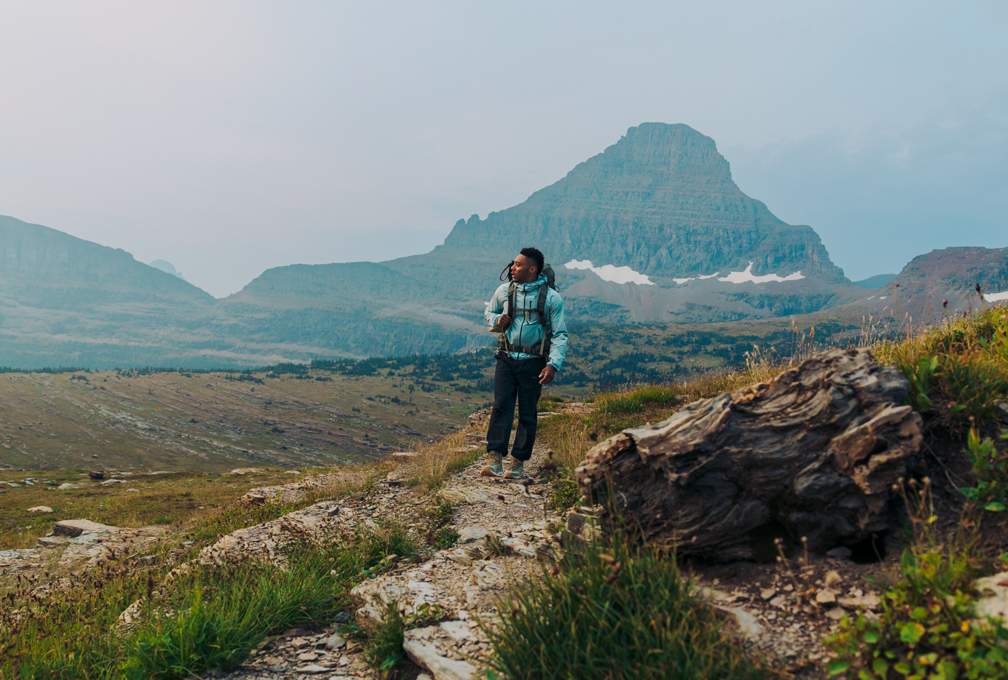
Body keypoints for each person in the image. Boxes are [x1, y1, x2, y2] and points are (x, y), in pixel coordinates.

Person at [482, 247, 568, 479]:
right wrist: (498, 319)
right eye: (513, 263)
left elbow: (560, 334)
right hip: (506, 357)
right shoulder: (504, 291)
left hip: (534, 362)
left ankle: (518, 463)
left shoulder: (551, 298)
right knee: (501, 406)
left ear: (533, 269)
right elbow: (489, 313)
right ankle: (494, 461)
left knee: (527, 412)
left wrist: (553, 364)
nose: (512, 267)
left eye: (518, 265)